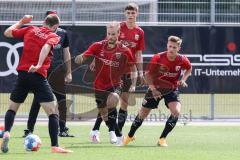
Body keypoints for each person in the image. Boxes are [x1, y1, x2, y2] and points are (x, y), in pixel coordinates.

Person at [1, 14, 72, 153]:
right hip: (38, 76)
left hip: (22, 75)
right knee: (53, 111)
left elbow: (7, 32)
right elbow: (46, 47)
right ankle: (55, 146)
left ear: (43, 22)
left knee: (12, 109)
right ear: (55, 27)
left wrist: (22, 21)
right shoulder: (54, 36)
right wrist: (39, 64)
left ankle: (7, 132)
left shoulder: (31, 29)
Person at [90, 2, 145, 143]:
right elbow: (105, 44)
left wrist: (140, 72)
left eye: (133, 13)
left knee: (124, 103)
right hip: (115, 72)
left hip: (128, 72)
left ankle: (117, 134)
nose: (130, 15)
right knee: (109, 102)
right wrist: (94, 60)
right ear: (124, 14)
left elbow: (138, 54)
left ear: (137, 14)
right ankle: (97, 130)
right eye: (128, 13)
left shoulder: (140, 32)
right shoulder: (118, 27)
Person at [123, 36, 192, 147]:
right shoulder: (158, 57)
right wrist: (154, 89)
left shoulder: (182, 59)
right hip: (155, 87)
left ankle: (162, 139)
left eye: (174, 47)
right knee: (143, 114)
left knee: (176, 112)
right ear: (167, 46)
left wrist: (183, 79)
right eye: (170, 46)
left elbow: (189, 68)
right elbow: (147, 75)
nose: (171, 49)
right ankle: (130, 137)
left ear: (178, 48)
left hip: (171, 89)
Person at [75, 21, 135, 146]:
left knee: (112, 100)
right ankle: (106, 131)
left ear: (119, 33)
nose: (111, 36)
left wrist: (133, 83)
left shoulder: (125, 51)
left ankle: (116, 135)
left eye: (113, 34)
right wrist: (80, 58)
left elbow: (132, 68)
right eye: (109, 34)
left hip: (116, 84)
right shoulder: (98, 46)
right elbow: (84, 56)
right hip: (99, 85)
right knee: (104, 114)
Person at [22, 10, 73, 138]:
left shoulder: (62, 34)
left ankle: (63, 129)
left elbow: (67, 53)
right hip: (43, 71)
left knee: (61, 100)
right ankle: (29, 129)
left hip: (58, 72)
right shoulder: (38, 33)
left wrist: (69, 72)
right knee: (37, 101)